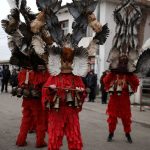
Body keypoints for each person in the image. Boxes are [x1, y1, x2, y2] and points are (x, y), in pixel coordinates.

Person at [16, 67, 49, 148]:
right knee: (40, 121)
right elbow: (45, 84)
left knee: (25, 120)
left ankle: (21, 140)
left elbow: (20, 83)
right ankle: (40, 142)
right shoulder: (38, 72)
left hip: (26, 99)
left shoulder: (23, 71)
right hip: (36, 101)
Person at [103, 72, 139, 143]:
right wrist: (111, 73)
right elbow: (105, 81)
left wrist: (131, 74)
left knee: (126, 119)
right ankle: (111, 133)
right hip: (114, 101)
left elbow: (136, 82)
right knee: (112, 119)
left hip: (124, 101)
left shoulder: (128, 75)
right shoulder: (113, 75)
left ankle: (127, 134)